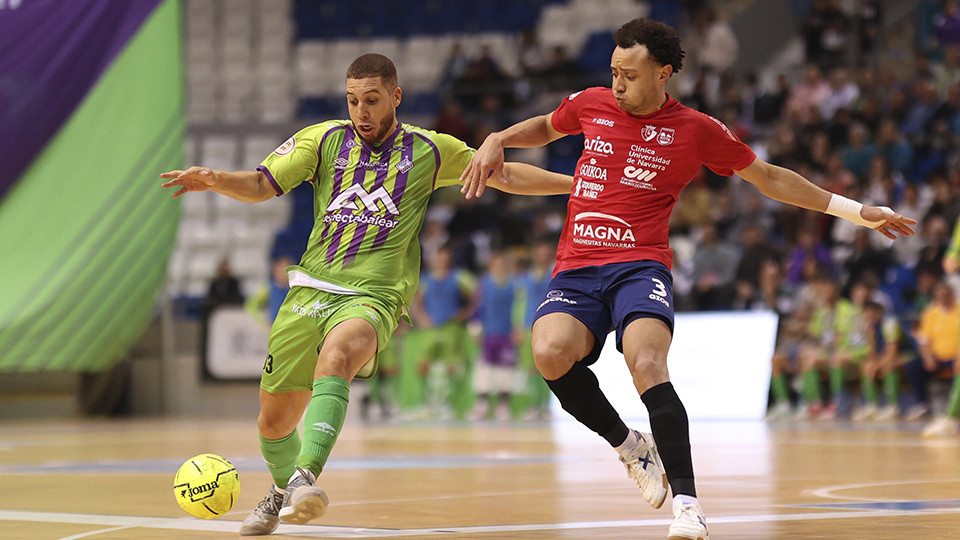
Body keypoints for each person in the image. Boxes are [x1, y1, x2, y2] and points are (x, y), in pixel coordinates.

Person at [458, 18, 917, 540]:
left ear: (664, 73)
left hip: (639, 265)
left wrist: (857, 211)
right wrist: (497, 137)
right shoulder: (591, 103)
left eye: (630, 75)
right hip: (577, 266)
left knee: (647, 363)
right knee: (548, 352)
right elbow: (544, 126)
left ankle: (688, 507)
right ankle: (629, 446)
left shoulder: (696, 129)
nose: (618, 85)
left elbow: (769, 178)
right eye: (613, 73)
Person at [160, 53, 572, 536]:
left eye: (372, 100)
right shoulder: (323, 140)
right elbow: (259, 184)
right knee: (273, 423)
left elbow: (501, 173)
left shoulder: (429, 150)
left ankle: (306, 477)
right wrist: (216, 181)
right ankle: (283, 489)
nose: (361, 111)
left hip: (374, 294)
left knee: (337, 358)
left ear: (395, 97)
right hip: (311, 289)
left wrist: (578, 185)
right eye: (353, 100)